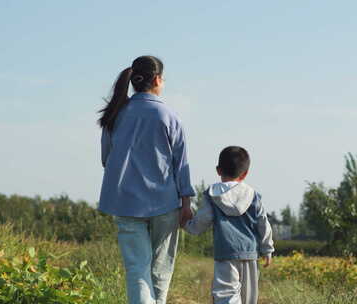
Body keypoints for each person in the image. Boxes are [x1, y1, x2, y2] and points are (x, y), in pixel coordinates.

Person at [97, 55, 195, 304]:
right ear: (158, 79)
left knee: (137, 270)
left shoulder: (115, 114)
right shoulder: (169, 116)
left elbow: (106, 159)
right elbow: (180, 165)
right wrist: (186, 202)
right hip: (165, 203)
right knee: (160, 271)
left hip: (125, 203)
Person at [185, 146, 274, 304]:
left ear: (218, 170)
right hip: (250, 255)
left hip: (226, 254)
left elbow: (203, 219)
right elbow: (263, 223)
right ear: (245, 173)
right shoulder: (253, 196)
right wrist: (267, 249)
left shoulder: (213, 195)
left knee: (226, 295)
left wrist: (188, 225)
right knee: (249, 298)